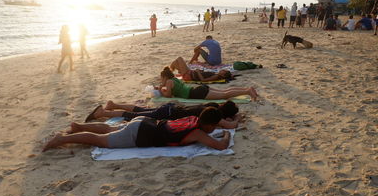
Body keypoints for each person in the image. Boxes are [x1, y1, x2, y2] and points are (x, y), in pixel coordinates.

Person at [42, 107, 232, 151]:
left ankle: (78, 126)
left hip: (145, 122)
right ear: (209, 124)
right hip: (141, 133)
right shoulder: (199, 132)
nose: (213, 129)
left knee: (109, 129)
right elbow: (221, 146)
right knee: (102, 141)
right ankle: (62, 139)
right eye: (214, 126)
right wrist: (225, 134)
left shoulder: (192, 118)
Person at [86, 100, 242, 129]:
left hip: (171, 109)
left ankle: (113, 105)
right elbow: (232, 125)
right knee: (132, 116)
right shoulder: (215, 115)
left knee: (139, 110)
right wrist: (237, 118)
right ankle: (103, 112)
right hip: (168, 114)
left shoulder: (213, 106)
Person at [158, 67, 258, 101]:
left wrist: (160, 90)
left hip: (196, 93)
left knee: (224, 95)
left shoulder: (168, 82)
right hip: (198, 89)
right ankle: (247, 89)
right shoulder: (174, 79)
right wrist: (163, 87)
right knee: (224, 92)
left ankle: (248, 91)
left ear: (165, 77)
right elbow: (173, 89)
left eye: (161, 78)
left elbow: (169, 95)